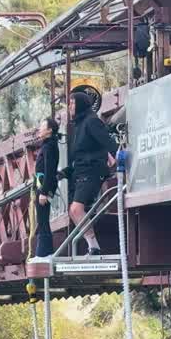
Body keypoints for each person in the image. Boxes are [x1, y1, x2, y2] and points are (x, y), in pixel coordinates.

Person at [67, 91, 117, 255]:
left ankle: (94, 246)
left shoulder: (92, 121)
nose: (70, 107)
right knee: (73, 211)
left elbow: (106, 141)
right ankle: (93, 246)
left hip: (92, 170)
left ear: (81, 104)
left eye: (73, 103)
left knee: (76, 209)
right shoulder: (79, 124)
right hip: (81, 171)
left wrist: (115, 156)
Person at [33, 116, 60, 259]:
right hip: (41, 185)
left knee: (43, 219)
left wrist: (44, 192)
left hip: (45, 187)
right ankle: (44, 251)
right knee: (42, 218)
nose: (39, 129)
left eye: (42, 127)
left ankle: (44, 253)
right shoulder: (46, 145)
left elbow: (49, 171)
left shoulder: (49, 146)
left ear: (49, 130)